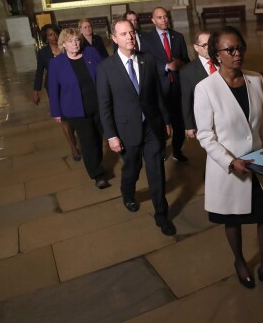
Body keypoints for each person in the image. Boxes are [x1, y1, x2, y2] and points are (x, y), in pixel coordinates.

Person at [194, 26, 263, 295]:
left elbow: (262, 122)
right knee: (232, 219)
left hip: (258, 164)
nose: (237, 54)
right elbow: (205, 135)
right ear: (216, 55)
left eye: (240, 48)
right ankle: (239, 261)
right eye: (230, 50)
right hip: (229, 168)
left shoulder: (255, 79)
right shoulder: (205, 89)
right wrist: (229, 161)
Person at [97, 19, 176, 236]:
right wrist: (111, 136)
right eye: (123, 34)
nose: (130, 37)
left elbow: (157, 95)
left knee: (156, 172)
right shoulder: (106, 68)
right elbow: (104, 106)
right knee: (131, 169)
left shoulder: (148, 60)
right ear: (114, 39)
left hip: (152, 126)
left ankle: (162, 215)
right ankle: (128, 193)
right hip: (126, 130)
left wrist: (166, 120)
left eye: (131, 33)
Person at [48, 28, 107, 189]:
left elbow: (105, 72)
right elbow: (53, 89)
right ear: (63, 44)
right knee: (88, 142)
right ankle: (97, 174)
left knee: (98, 138)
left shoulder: (91, 54)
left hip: (98, 105)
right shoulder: (56, 63)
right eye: (70, 41)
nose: (75, 43)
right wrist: (56, 112)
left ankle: (97, 162)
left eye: (77, 40)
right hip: (76, 110)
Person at [140, 7, 190, 162]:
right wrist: (166, 67)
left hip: (177, 88)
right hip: (159, 89)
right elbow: (145, 63)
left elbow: (186, 60)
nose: (164, 20)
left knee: (180, 124)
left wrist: (179, 63)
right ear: (153, 20)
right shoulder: (147, 40)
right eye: (160, 17)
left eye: (166, 17)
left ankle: (177, 150)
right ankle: (160, 150)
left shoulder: (178, 37)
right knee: (162, 124)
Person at [32, 23, 81, 161]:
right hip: (54, 88)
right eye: (50, 35)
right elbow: (39, 71)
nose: (53, 37)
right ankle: (72, 147)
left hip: (70, 87)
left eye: (55, 33)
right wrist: (36, 90)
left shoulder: (67, 48)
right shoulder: (43, 53)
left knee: (73, 117)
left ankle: (75, 134)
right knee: (64, 119)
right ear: (46, 38)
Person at [180, 30, 214, 139]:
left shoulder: (222, 63)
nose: (209, 48)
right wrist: (189, 125)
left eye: (211, 44)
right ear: (196, 47)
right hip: (205, 120)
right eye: (204, 45)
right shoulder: (187, 71)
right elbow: (186, 99)